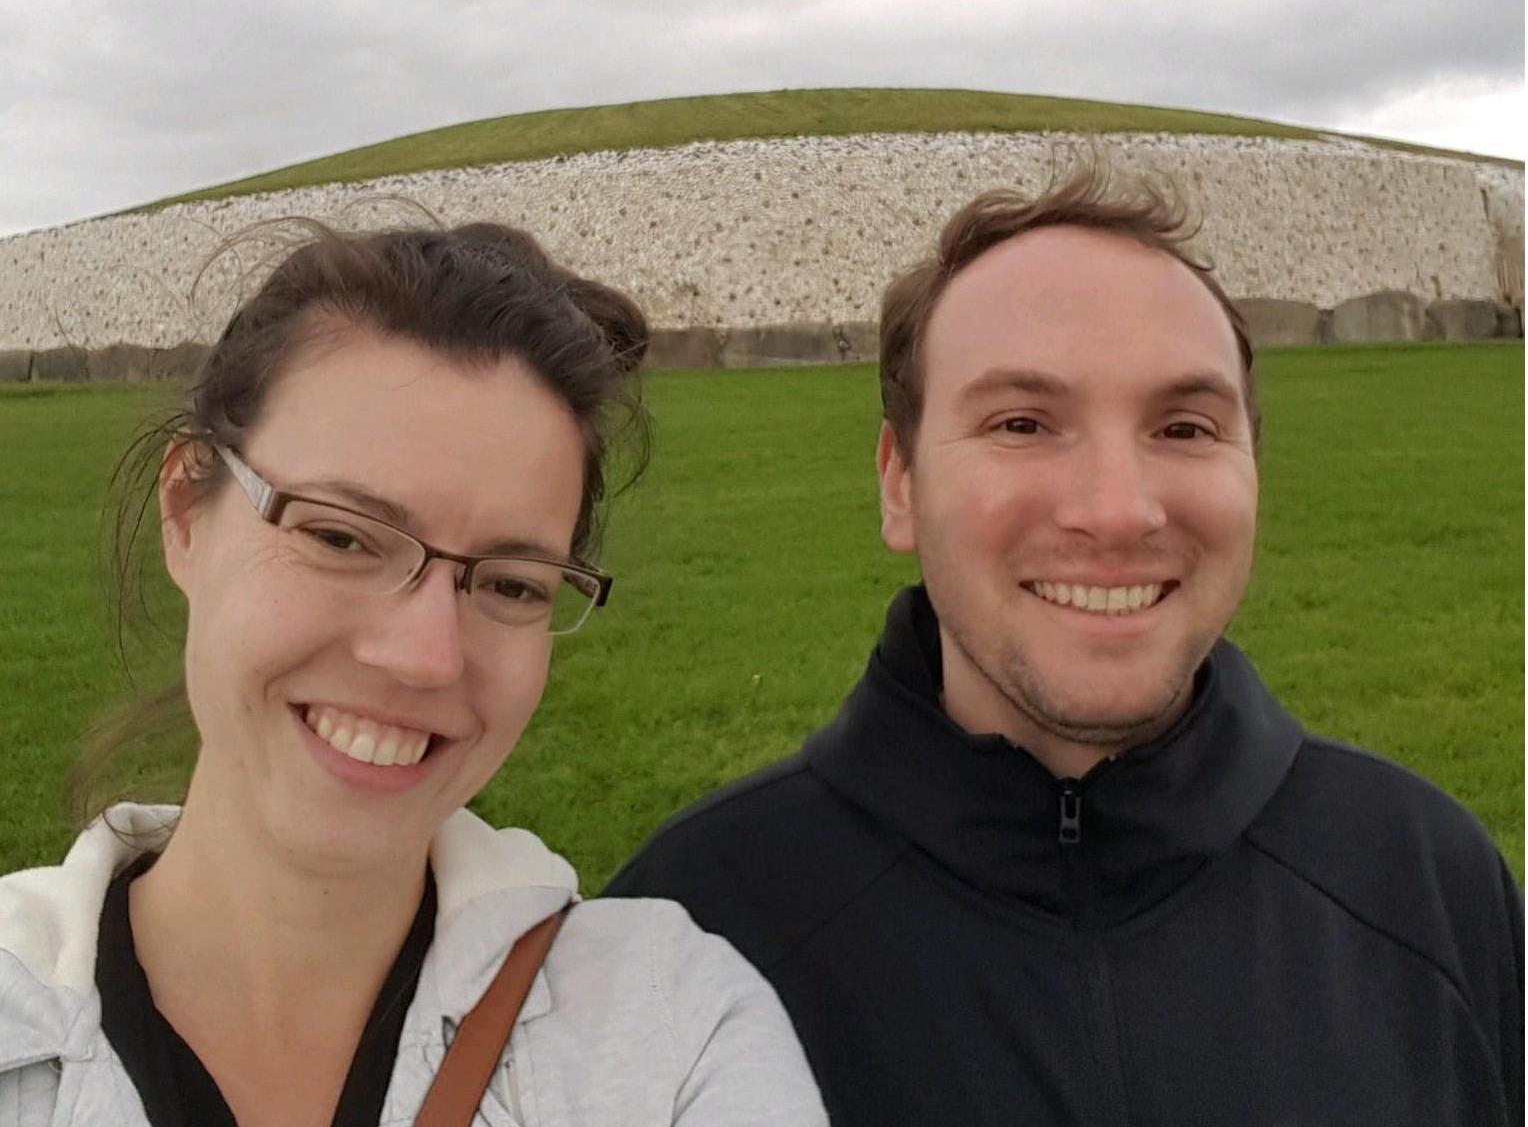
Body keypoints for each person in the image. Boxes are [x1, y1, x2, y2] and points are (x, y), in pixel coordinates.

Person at [608, 166, 1524, 1127]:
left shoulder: (1428, 884)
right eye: (1022, 423)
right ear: (900, 484)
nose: (1117, 511)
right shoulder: (690, 933)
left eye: (1184, 425)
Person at [0, 220, 825, 1126]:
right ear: (186, 512)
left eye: (512, 583)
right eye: (340, 535)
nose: (426, 656)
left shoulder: (675, 1031)